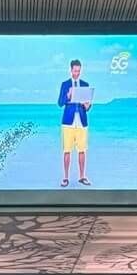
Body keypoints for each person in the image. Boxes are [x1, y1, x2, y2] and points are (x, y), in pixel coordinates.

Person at [58, 57, 91, 188]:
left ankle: (82, 177)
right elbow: (60, 103)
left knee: (82, 150)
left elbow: (88, 107)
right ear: (71, 70)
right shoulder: (65, 84)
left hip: (81, 122)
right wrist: (68, 95)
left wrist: (87, 105)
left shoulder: (85, 85)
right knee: (67, 151)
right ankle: (65, 178)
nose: (77, 73)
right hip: (68, 122)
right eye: (75, 71)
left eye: (79, 71)